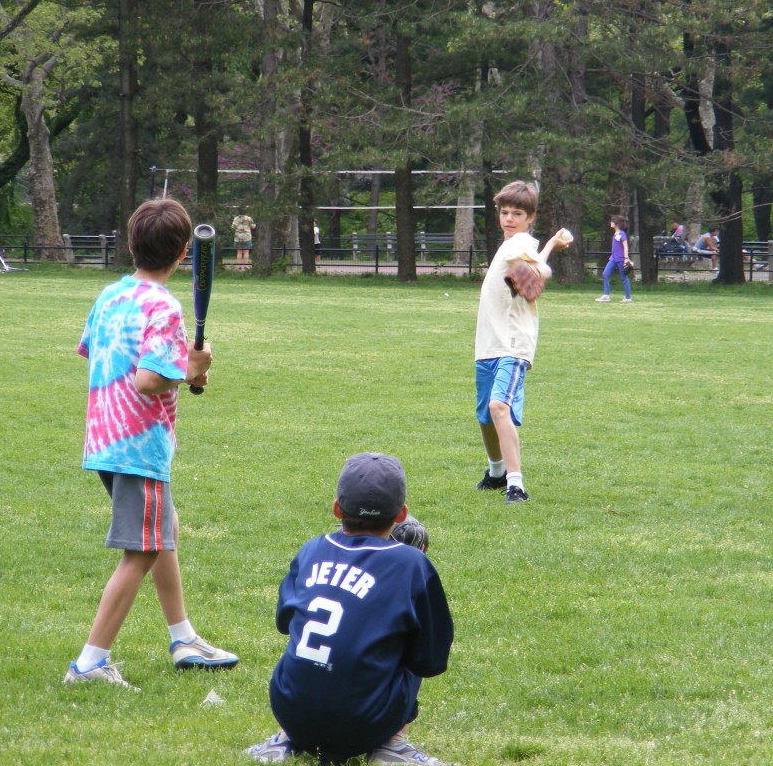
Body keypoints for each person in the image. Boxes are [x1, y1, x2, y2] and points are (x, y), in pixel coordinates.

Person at [65, 198, 237, 690]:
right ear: (184, 253)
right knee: (141, 551)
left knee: (165, 529)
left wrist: (182, 366)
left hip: (104, 438)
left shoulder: (110, 295)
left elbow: (96, 352)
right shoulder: (165, 306)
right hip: (139, 447)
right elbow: (147, 379)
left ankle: (183, 637)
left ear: (130, 244)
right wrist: (189, 368)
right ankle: (90, 662)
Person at [245, 452, 454, 765]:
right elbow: (431, 660)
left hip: (290, 712)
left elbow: (283, 621)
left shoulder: (312, 549)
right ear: (401, 514)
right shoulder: (411, 563)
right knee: (409, 642)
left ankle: (286, 738)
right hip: (365, 725)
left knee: (309, 649)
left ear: (337, 508)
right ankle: (392, 745)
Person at [473, 180, 571, 505]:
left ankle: (516, 486)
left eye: (517, 213)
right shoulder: (513, 246)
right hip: (488, 344)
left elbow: (537, 269)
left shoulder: (520, 242)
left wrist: (541, 271)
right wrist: (552, 245)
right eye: (504, 212)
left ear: (530, 218)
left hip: (512, 345)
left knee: (498, 407)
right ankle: (496, 472)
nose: (509, 218)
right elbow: (532, 261)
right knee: (486, 416)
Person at [595, 215, 633, 303]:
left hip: (621, 259)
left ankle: (628, 298)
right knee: (605, 274)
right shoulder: (615, 233)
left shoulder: (622, 234)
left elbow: (625, 246)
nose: (611, 223)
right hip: (613, 258)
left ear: (617, 223)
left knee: (623, 278)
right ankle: (606, 295)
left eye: (612, 221)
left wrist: (626, 258)